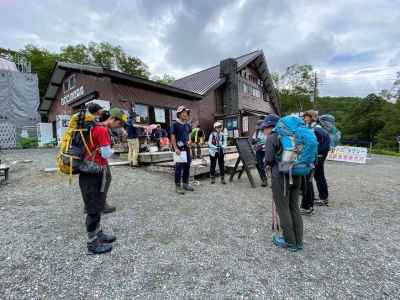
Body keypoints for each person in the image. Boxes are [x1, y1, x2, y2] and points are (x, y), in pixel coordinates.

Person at [79, 107, 127, 255]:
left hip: (91, 170)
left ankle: (98, 234)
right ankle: (92, 244)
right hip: (92, 173)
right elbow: (106, 154)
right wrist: (113, 149)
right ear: (114, 119)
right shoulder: (102, 130)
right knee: (93, 209)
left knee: (98, 205)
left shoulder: (96, 127)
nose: (119, 127)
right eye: (119, 124)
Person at [264, 114, 304, 252]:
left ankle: (289, 241)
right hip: (297, 173)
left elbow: (268, 159)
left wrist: (267, 164)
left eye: (264, 128)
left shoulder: (272, 137)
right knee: (294, 207)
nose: (263, 131)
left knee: (283, 208)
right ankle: (298, 241)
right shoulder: (294, 135)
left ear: (270, 126)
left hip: (281, 176)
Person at [302, 110, 331, 208]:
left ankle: (323, 198)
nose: (304, 118)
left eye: (306, 116)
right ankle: (322, 197)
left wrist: (316, 155)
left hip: (318, 156)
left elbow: (315, 145)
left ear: (311, 118)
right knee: (318, 176)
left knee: (318, 176)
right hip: (320, 155)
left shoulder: (316, 129)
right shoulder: (317, 128)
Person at [171, 105, 193, 194]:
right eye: (184, 113)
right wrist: (175, 148)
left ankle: (185, 183)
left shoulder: (187, 125)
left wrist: (190, 140)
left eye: (187, 113)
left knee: (187, 166)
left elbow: (190, 133)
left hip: (187, 148)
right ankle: (177, 186)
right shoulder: (175, 124)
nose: (186, 114)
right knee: (178, 167)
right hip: (179, 149)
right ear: (179, 114)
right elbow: (172, 137)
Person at [251, 119, 268, 187]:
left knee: (267, 165)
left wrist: (263, 144)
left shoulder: (266, 131)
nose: (259, 128)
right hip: (258, 151)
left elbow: (269, 141)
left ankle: (271, 179)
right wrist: (255, 140)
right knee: (258, 165)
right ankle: (264, 179)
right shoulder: (256, 132)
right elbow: (252, 142)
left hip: (266, 151)